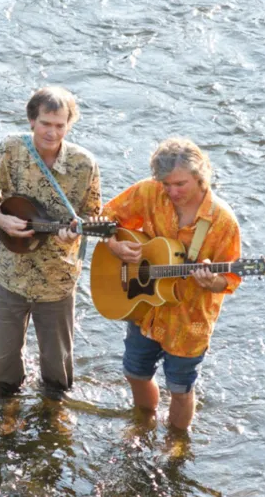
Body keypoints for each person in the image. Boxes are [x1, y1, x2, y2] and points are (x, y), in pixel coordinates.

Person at [99, 137, 241, 431]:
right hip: (146, 306)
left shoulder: (222, 221)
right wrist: (115, 246)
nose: (172, 191)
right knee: (135, 372)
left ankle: (176, 443)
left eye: (180, 184)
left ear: (200, 176)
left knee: (180, 387)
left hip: (189, 320)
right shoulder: (149, 192)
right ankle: (144, 424)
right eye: (166, 184)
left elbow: (230, 279)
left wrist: (211, 280)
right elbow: (105, 218)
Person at [0, 86, 102, 399]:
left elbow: (91, 214)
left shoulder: (84, 164)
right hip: (10, 270)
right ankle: (5, 409)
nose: (52, 132)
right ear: (32, 120)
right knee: (4, 360)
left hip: (57, 277)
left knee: (58, 366)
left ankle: (55, 412)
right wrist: (1, 219)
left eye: (60, 125)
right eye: (46, 123)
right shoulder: (11, 149)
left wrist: (76, 232)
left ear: (69, 125)